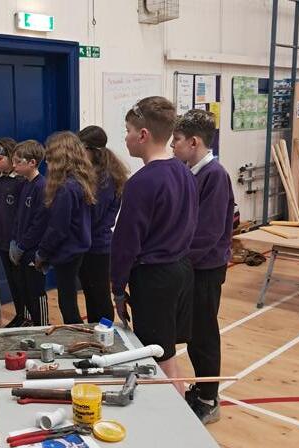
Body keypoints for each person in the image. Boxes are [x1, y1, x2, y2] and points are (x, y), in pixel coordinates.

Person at [110, 97, 199, 392]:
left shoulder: (141, 182)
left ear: (143, 135)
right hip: (181, 271)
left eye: (128, 130)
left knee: (158, 358)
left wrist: (118, 288)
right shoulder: (185, 173)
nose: (125, 137)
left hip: (155, 278)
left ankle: (177, 414)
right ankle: (180, 401)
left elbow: (126, 242)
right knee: (167, 353)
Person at [172, 109, 235, 423]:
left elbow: (208, 232)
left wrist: (179, 262)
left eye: (177, 140)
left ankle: (209, 400)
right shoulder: (190, 172)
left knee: (204, 333)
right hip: (191, 267)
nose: (172, 145)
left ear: (194, 142)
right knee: (194, 332)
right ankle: (201, 389)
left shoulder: (214, 175)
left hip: (205, 268)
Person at [36, 132, 96, 324]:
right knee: (68, 299)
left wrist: (42, 253)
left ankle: (76, 335)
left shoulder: (66, 188)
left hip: (69, 251)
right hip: (77, 248)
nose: (47, 161)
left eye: (50, 156)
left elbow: (58, 228)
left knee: (67, 303)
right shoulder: (80, 181)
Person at [77, 126, 129, 322]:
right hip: (89, 244)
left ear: (93, 150)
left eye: (81, 149)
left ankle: (106, 332)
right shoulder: (94, 174)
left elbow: (94, 215)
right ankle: (95, 331)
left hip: (98, 246)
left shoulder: (104, 179)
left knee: (99, 296)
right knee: (91, 294)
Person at [9, 140, 50, 326]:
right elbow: (19, 217)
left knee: (36, 290)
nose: (14, 166)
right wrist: (15, 242)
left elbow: (39, 224)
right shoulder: (24, 184)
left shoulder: (42, 186)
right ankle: (28, 321)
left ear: (32, 163)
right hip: (21, 247)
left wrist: (23, 246)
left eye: (18, 162)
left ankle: (42, 325)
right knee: (23, 288)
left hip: (33, 251)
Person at [0, 138, 27, 327]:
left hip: (16, 241)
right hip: (2, 239)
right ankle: (20, 314)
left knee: (22, 281)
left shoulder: (21, 182)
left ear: (12, 158)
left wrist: (18, 240)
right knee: (12, 281)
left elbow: (23, 215)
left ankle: (27, 316)